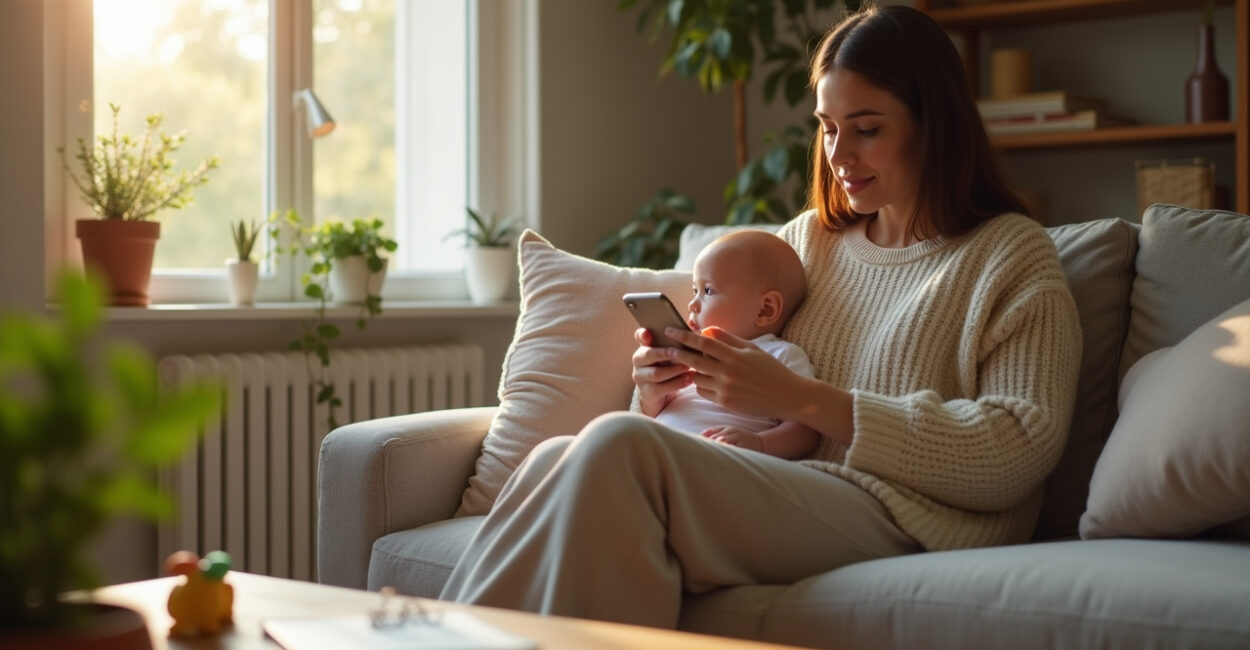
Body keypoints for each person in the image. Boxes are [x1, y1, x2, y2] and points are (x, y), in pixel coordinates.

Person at [440, 3, 1082, 629]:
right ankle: (440, 632)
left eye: (867, 128)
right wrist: (657, 388)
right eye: (829, 127)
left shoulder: (1009, 253)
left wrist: (806, 400)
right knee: (558, 454)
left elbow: (1019, 449)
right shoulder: (809, 242)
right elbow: (686, 425)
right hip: (775, 481)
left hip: (904, 514)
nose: (838, 154)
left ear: (932, 124)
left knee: (616, 444)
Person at [646, 229, 822, 460]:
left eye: (707, 291)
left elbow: (806, 430)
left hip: (714, 459)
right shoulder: (689, 356)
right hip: (659, 449)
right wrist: (654, 394)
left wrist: (759, 443)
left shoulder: (781, 355)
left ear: (765, 309)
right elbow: (660, 409)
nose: (692, 305)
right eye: (694, 290)